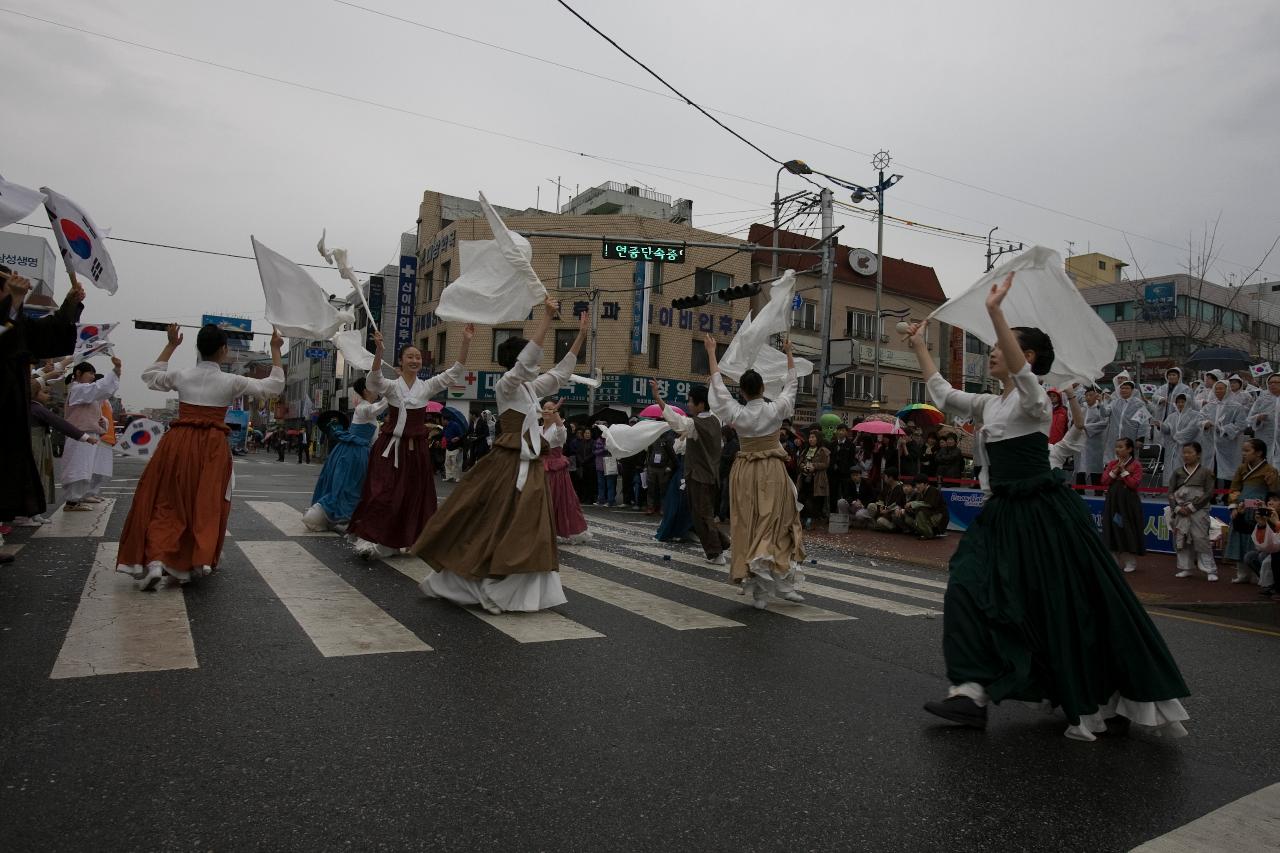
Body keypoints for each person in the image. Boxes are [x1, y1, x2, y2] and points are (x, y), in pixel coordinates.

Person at [907, 271, 1189, 740]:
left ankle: (1090, 688)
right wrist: (919, 345)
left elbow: (1022, 376)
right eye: (997, 341)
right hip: (1000, 514)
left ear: (1029, 357)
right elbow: (942, 394)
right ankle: (970, 691)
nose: (994, 349)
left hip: (1041, 515)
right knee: (967, 589)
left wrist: (997, 312)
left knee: (1058, 606)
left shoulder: (1034, 401)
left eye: (1003, 344)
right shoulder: (991, 407)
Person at [412, 301, 587, 614]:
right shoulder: (507, 385)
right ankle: (486, 584)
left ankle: (505, 586)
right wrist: (546, 319)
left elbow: (561, 373)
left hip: (530, 465)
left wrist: (582, 334)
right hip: (508, 464)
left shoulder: (533, 389)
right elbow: (526, 365)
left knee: (526, 527)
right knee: (501, 523)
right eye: (531, 357)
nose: (537, 363)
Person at [116, 324, 285, 589]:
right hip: (212, 446)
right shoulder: (232, 381)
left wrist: (171, 345)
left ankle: (156, 560)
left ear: (198, 348)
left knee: (167, 501)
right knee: (204, 502)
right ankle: (197, 558)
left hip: (177, 442)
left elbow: (150, 376)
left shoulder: (183, 375)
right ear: (223, 350)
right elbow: (273, 387)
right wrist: (275, 350)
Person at [347, 327, 471, 559]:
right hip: (389, 448)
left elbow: (454, 373)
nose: (415, 360)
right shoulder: (392, 386)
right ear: (401, 362)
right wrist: (379, 351)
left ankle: (402, 539)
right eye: (410, 357)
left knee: (414, 495)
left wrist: (465, 342)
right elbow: (374, 381)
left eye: (418, 357)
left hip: (416, 450)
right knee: (381, 493)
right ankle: (370, 538)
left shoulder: (426, 386)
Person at [705, 333, 805, 609]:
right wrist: (788, 354)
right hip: (772, 470)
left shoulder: (738, 414)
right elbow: (792, 384)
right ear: (762, 387)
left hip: (745, 470)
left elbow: (717, 386)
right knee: (779, 523)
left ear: (744, 391)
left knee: (748, 525)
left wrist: (712, 353)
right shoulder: (776, 410)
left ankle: (759, 588)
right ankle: (781, 581)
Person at [0, 267, 84, 551]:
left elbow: (48, 334)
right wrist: (11, 302)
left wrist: (70, 304)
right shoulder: (8, 318)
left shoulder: (17, 320)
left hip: (11, 411)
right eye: (6, 286)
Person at [654, 382, 730, 563]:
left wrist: (658, 398)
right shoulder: (715, 421)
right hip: (711, 476)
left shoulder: (696, 424)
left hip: (698, 476)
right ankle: (722, 543)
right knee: (704, 513)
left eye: (690, 401)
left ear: (701, 404)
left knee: (701, 515)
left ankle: (716, 552)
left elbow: (676, 421)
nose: (688, 405)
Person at [302, 377, 387, 533]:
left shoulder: (366, 408)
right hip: (353, 454)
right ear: (366, 390)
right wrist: (393, 392)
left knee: (351, 486)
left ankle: (342, 518)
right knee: (348, 487)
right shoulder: (363, 407)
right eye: (375, 387)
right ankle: (339, 517)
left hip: (357, 453)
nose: (378, 391)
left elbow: (373, 439)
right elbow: (376, 409)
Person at [19, 376, 98, 526]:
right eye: (43, 392)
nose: (48, 395)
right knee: (32, 478)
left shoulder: (31, 407)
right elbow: (59, 423)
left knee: (38, 477)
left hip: (39, 444)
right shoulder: (35, 408)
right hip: (35, 445)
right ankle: (24, 515)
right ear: (33, 394)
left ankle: (34, 513)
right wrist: (85, 437)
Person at [60, 358, 122, 511]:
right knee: (79, 467)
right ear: (78, 373)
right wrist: (115, 371)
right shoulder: (77, 389)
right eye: (90, 374)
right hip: (80, 435)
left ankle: (75, 499)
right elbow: (98, 389)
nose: (93, 377)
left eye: (94, 374)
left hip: (88, 434)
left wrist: (103, 423)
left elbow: (103, 393)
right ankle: (72, 501)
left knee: (84, 467)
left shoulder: (84, 391)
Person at [1224, 438, 1280, 583]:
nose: (1243, 453)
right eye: (1243, 450)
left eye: (1247, 451)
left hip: (1259, 509)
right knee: (1239, 537)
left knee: (1256, 539)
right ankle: (1242, 574)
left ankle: (1258, 574)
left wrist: (1268, 506)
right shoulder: (1241, 469)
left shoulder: (1270, 470)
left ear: (1259, 453)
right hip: (1242, 508)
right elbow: (1235, 489)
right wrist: (1235, 506)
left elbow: (1274, 491)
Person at [541, 397, 591, 544]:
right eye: (544, 407)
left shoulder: (559, 430)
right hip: (538, 468)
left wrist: (555, 412)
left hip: (555, 471)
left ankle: (556, 530)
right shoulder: (536, 429)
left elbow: (561, 432)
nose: (546, 411)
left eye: (550, 408)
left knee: (557, 501)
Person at [1168, 441, 1218, 581]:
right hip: (1180, 510)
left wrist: (1191, 507)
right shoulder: (1177, 472)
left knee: (1200, 538)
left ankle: (1210, 570)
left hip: (1198, 509)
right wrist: (1176, 507)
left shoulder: (1206, 472)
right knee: (1181, 539)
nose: (1186, 455)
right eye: (1184, 453)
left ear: (1199, 455)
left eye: (1190, 452)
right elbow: (1171, 492)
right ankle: (1186, 567)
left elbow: (1208, 493)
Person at [1102, 437, 1146, 574]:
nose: (1117, 450)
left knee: (1126, 528)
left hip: (1128, 503)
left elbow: (1134, 483)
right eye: (1116, 447)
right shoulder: (1112, 463)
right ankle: (1113, 560)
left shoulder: (1136, 465)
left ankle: (1130, 561)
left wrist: (1124, 472)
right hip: (1113, 501)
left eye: (1121, 447)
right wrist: (1115, 471)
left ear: (1130, 449)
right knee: (1112, 528)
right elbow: (1104, 481)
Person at [1199, 379, 1245, 495]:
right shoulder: (1210, 405)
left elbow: (1241, 425)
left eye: (1221, 388)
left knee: (1228, 472)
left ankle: (1227, 497)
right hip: (1210, 444)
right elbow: (1199, 419)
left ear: (1227, 389)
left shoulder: (1236, 406)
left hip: (1228, 445)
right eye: (1217, 389)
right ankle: (1210, 496)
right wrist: (1205, 424)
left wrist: (1224, 429)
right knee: (1211, 470)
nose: (1218, 391)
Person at [1153, 394, 1200, 487]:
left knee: (1186, 466)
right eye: (1178, 402)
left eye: (1183, 402)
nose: (1180, 404)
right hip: (1172, 448)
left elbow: (1192, 429)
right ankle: (1172, 488)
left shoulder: (1195, 415)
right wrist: (1161, 425)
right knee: (1171, 467)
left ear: (1188, 402)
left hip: (1187, 447)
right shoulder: (1172, 416)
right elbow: (1167, 429)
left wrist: (1177, 437)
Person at [1103, 377, 1146, 464]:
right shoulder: (1115, 402)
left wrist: (1140, 439)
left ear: (1132, 390)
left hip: (1130, 437)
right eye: (1122, 388)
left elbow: (1143, 423)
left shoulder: (1139, 404)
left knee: (1129, 462)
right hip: (1115, 438)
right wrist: (1100, 404)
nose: (1124, 390)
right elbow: (1105, 413)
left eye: (1127, 388)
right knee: (1113, 461)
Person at [1245, 492, 1280, 599]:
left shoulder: (1274, 517)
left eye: (1275, 500)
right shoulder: (1269, 515)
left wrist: (1277, 523)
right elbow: (1264, 544)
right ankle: (1271, 586)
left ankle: (1277, 588)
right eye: (1269, 500)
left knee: (1271, 557)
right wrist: (1261, 524)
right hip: (1273, 550)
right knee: (1251, 557)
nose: (1270, 502)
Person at [796, 428, 831, 530]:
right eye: (810, 437)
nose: (810, 439)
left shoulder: (823, 450)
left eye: (813, 437)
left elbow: (826, 464)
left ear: (818, 439)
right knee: (802, 498)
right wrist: (804, 467)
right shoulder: (805, 449)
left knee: (813, 500)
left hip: (817, 479)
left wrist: (814, 466)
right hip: (804, 478)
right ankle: (802, 519)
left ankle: (811, 520)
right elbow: (800, 462)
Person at [1250, 374, 1280, 469]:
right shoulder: (1262, 399)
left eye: (1276, 382)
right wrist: (1258, 419)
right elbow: (1250, 418)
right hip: (1264, 439)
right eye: (1270, 383)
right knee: (1264, 467)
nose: (1273, 385)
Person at [904, 475, 949, 540]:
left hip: (939, 516)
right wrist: (908, 508)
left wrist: (912, 504)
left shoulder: (933, 490)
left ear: (926, 484)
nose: (917, 486)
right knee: (908, 518)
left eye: (919, 484)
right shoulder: (920, 492)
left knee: (920, 513)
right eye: (916, 484)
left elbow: (929, 504)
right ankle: (925, 532)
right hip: (930, 515)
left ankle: (929, 534)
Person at [644, 428, 676, 514]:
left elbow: (672, 454)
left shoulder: (668, 440)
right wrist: (647, 465)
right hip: (652, 467)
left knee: (663, 489)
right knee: (651, 489)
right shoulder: (653, 439)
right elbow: (649, 453)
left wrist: (669, 466)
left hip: (663, 468)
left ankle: (663, 508)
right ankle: (650, 507)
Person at [594, 430, 619, 507]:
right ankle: (601, 499)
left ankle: (610, 500)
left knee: (610, 484)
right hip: (600, 465)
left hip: (609, 465)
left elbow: (616, 450)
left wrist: (608, 448)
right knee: (601, 484)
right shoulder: (597, 440)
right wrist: (604, 449)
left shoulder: (612, 440)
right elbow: (595, 452)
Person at [718, 424, 737, 522]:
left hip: (729, 473)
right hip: (724, 472)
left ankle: (722, 516)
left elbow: (731, 457)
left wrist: (721, 454)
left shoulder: (733, 443)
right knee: (723, 494)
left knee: (725, 495)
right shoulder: (728, 443)